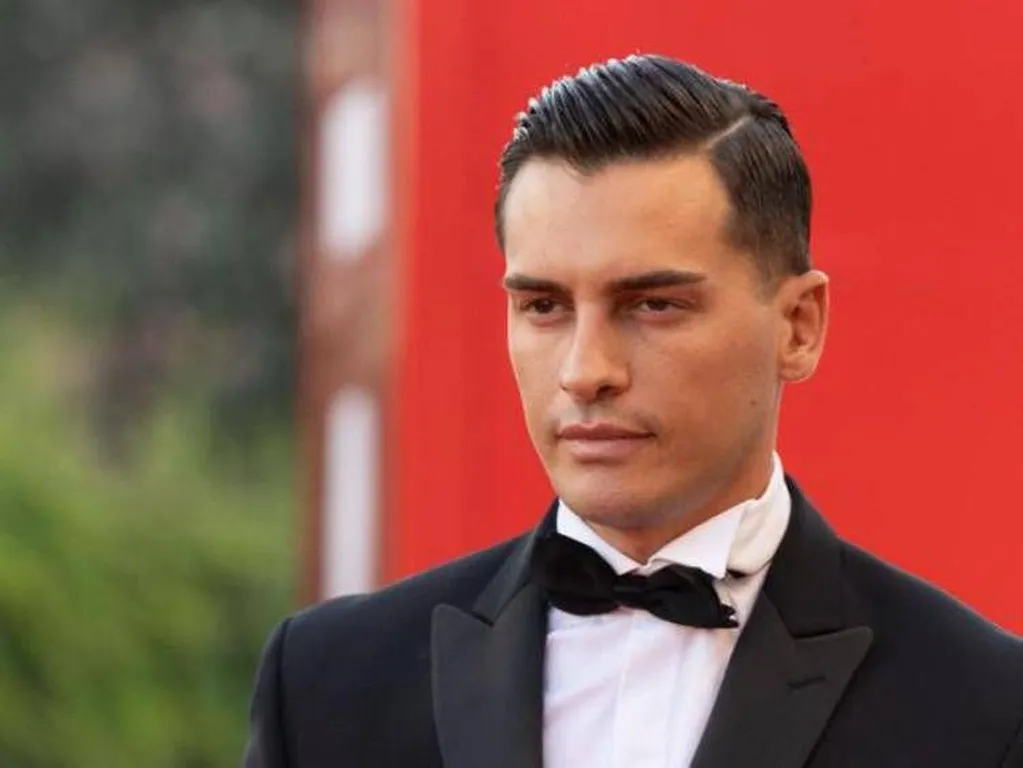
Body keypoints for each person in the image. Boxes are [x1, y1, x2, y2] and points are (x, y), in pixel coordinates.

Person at [243, 54, 1023, 768]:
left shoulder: (984, 710)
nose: (585, 372)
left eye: (653, 305)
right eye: (543, 306)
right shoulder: (324, 687)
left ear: (797, 326)